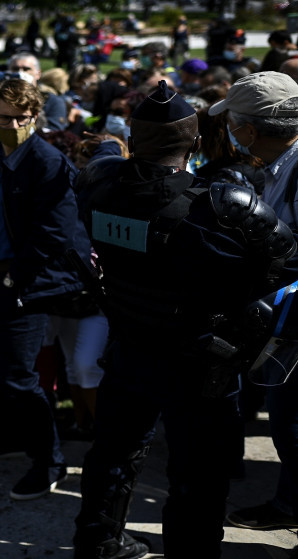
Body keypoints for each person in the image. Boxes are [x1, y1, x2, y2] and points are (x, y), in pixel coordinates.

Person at [73, 80, 298, 559]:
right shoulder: (215, 206)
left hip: (131, 347)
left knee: (114, 454)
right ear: (196, 143)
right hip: (196, 362)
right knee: (198, 476)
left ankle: (98, 541)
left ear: (133, 139)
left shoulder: (102, 183)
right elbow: (284, 261)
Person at [0, 78, 92, 500]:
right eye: (3, 117)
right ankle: (13, 437)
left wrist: (16, 274)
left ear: (35, 116)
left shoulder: (47, 161)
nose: (12, 124)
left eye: (22, 117)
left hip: (21, 283)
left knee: (21, 375)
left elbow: (55, 233)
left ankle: (49, 461)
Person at [217, 71, 298, 533]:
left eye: (231, 122)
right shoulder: (278, 165)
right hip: (284, 322)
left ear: (248, 130)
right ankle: (288, 504)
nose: (227, 130)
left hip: (295, 323)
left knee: (291, 424)